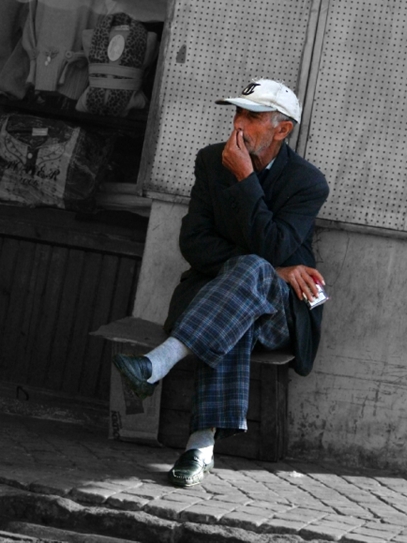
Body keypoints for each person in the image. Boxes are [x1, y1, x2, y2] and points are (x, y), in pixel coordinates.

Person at [113, 78, 329, 487]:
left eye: (252, 116)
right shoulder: (211, 161)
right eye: (237, 113)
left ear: (282, 129)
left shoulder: (307, 183)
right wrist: (264, 267)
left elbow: (280, 247)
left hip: (279, 312)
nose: (239, 124)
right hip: (214, 300)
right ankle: (200, 447)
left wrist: (247, 180)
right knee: (240, 302)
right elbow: (193, 242)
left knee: (251, 275)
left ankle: (157, 364)